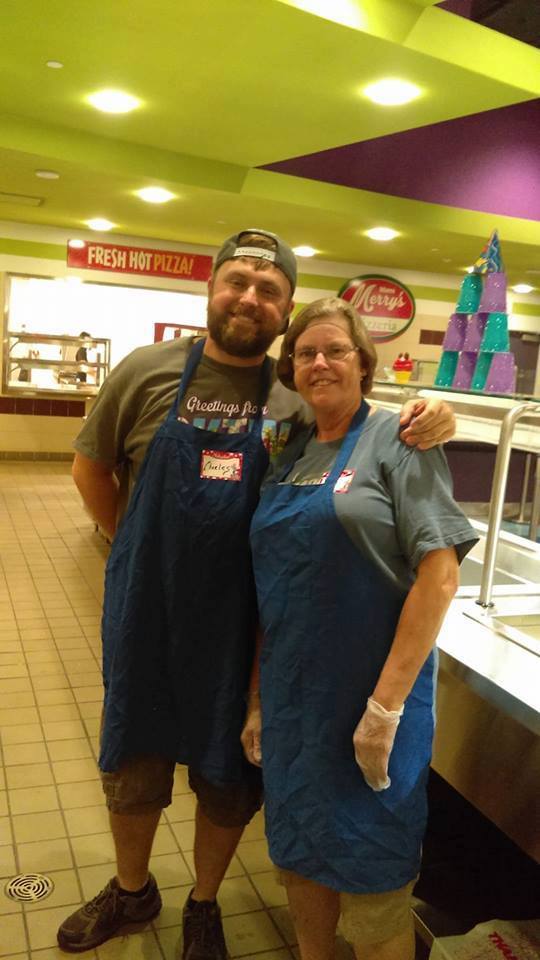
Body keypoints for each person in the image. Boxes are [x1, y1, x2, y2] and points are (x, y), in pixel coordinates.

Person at [57, 232, 456, 959]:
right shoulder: (147, 369)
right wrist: (139, 555)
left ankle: (204, 904)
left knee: (226, 775)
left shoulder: (294, 395)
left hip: (246, 624)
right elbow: (90, 471)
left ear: (285, 311)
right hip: (150, 613)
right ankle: (130, 889)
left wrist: (431, 414)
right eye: (236, 281)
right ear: (211, 288)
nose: (249, 298)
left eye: (269, 290)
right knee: (135, 755)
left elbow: (357, 424)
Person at [242, 298, 477, 960]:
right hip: (294, 706)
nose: (320, 363)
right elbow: (273, 588)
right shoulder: (287, 451)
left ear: (364, 364)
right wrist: (258, 699)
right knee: (299, 862)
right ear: (292, 368)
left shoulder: (402, 440)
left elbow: (439, 578)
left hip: (374, 705)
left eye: (335, 351)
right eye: (306, 353)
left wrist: (383, 710)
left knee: (375, 890)